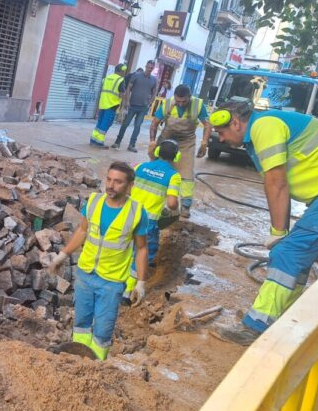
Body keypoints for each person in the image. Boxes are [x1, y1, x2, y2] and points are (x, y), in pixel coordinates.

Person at [209, 101, 318, 346]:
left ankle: (254, 328)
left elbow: (276, 183)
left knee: (288, 252)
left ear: (235, 122)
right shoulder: (262, 130)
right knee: (297, 256)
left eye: (221, 133)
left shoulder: (264, 126)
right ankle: (279, 319)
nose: (220, 139)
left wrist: (278, 233)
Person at [49, 162, 149, 360]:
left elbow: (142, 248)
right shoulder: (94, 202)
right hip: (85, 274)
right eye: (109, 179)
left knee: (103, 330)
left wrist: (141, 283)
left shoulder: (137, 212)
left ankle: (96, 366)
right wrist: (63, 255)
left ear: (130, 186)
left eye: (118, 182)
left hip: (111, 281)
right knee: (81, 324)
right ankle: (77, 360)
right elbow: (82, 231)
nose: (111, 185)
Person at [122, 140, 182, 302]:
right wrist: (176, 206)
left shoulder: (140, 167)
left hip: (128, 216)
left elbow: (126, 189)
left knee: (125, 248)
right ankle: (127, 290)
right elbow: (171, 203)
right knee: (143, 253)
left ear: (157, 152)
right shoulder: (173, 176)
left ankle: (116, 281)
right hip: (148, 223)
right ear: (176, 157)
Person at [147, 84, 211, 217]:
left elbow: (207, 124)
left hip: (186, 141)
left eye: (184, 101)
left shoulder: (198, 105)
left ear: (190, 97)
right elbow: (154, 123)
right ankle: (154, 200)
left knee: (186, 172)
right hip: (166, 139)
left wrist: (204, 143)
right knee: (158, 169)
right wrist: (153, 142)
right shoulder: (167, 103)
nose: (181, 104)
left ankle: (185, 205)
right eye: (178, 101)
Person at [113, 60, 158, 152]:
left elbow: (154, 92)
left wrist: (150, 102)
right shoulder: (136, 76)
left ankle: (132, 145)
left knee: (137, 126)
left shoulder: (154, 80)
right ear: (146, 66)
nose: (150, 69)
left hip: (143, 107)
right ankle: (117, 142)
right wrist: (127, 101)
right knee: (125, 124)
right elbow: (129, 88)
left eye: (151, 68)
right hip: (132, 105)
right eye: (149, 67)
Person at [90, 63, 128, 148]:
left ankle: (93, 139)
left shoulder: (107, 78)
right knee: (106, 123)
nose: (124, 73)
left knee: (100, 122)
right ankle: (99, 142)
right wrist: (124, 103)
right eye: (124, 71)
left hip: (103, 103)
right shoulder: (120, 80)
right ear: (121, 71)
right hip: (111, 105)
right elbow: (122, 94)